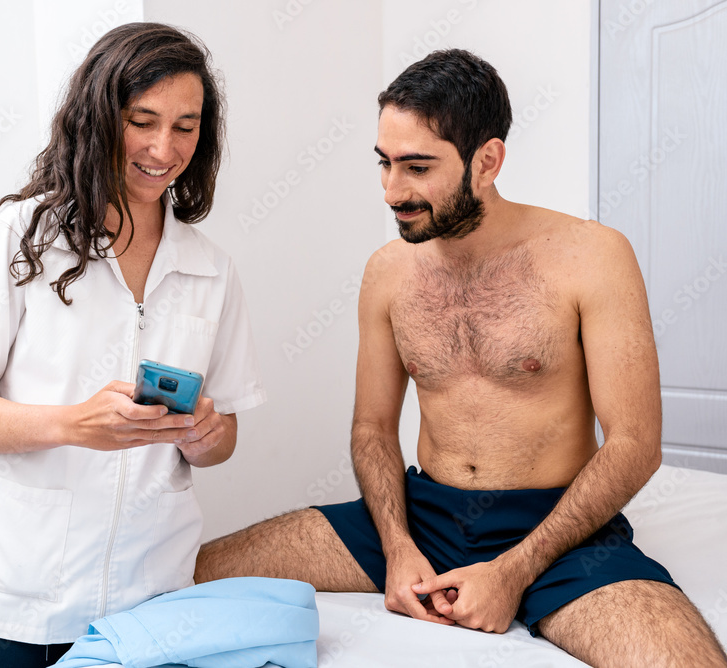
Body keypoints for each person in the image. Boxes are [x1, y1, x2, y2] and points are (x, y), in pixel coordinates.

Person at [194, 49, 727, 667]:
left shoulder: (593, 256)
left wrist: (514, 570)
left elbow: (636, 442)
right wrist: (397, 549)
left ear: (488, 160)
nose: (394, 191)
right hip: (420, 516)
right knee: (194, 570)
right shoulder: (387, 272)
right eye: (385, 164)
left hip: (556, 532)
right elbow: (373, 428)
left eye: (417, 167)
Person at [0, 23, 266, 668]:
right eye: (143, 120)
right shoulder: (18, 240)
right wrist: (75, 425)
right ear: (100, 118)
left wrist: (204, 432)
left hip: (150, 599)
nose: (165, 148)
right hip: (16, 597)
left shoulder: (211, 270)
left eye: (186, 126)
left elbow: (225, 440)